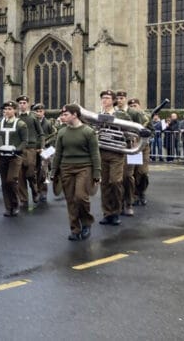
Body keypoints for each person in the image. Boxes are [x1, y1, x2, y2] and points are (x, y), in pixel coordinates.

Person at [51, 104, 101, 241]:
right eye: (62, 114)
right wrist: (54, 171)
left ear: (75, 115)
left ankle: (86, 222)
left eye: (65, 114)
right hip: (66, 168)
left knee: (80, 197)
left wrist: (97, 173)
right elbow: (58, 154)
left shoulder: (88, 132)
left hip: (84, 167)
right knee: (70, 200)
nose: (62, 117)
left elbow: (95, 154)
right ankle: (75, 228)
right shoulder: (61, 132)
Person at [98, 90, 127, 226]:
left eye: (107, 98)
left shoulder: (121, 115)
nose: (105, 100)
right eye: (103, 98)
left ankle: (116, 212)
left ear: (113, 100)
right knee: (104, 184)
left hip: (117, 152)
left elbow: (129, 132)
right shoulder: (98, 116)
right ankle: (107, 213)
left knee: (115, 182)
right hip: (103, 151)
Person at [0, 101, 27, 217]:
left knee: (11, 180)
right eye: (5, 109)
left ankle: (15, 203)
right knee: (4, 183)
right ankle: (8, 207)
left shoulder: (21, 124)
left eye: (10, 109)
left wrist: (17, 149)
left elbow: (25, 141)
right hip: (2, 156)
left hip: (15, 157)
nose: (7, 111)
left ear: (15, 110)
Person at [16, 95, 44, 205]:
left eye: (24, 103)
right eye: (20, 103)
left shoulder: (33, 117)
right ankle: (24, 199)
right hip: (18, 149)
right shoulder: (16, 117)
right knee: (20, 175)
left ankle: (35, 192)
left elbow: (41, 133)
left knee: (30, 173)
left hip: (31, 149)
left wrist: (41, 146)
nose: (22, 105)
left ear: (27, 104)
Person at [128, 99, 152, 206]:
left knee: (143, 172)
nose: (133, 107)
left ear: (139, 106)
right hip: (132, 147)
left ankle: (141, 192)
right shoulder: (127, 117)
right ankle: (134, 195)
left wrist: (147, 133)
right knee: (132, 173)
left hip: (143, 147)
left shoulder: (145, 117)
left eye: (135, 105)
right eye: (131, 106)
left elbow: (153, 131)